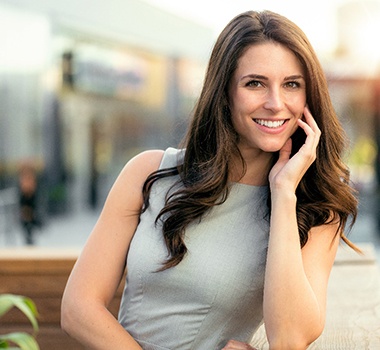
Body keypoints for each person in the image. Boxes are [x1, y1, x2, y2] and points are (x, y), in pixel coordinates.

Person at [61, 10, 358, 350]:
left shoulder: (317, 210)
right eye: (255, 83)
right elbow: (77, 308)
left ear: (309, 97)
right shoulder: (148, 173)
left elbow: (289, 339)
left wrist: (284, 192)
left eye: (292, 84)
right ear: (225, 91)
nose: (276, 103)